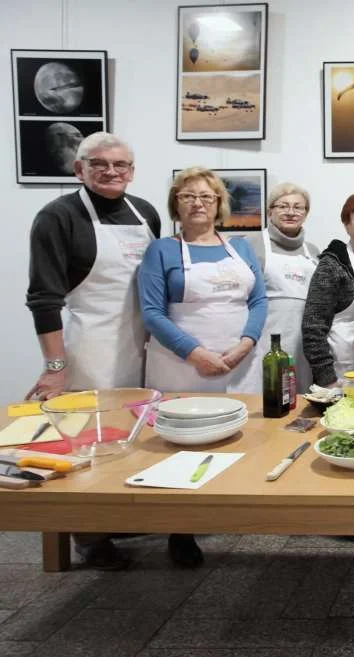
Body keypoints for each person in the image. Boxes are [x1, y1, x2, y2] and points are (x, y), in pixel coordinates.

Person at [24, 132, 161, 571]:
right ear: (78, 168)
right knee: (88, 440)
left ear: (132, 170)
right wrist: (56, 367)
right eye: (98, 163)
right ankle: (88, 533)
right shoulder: (57, 217)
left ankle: (118, 516)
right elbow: (44, 298)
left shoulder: (147, 213)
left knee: (135, 435)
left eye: (120, 164)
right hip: (90, 344)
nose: (111, 172)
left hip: (142, 342)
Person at [140, 167, 268, 396]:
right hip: (180, 366)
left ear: (219, 203)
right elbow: (152, 314)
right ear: (176, 204)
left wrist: (245, 345)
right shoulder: (160, 250)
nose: (197, 203)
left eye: (207, 196)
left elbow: (258, 301)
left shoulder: (242, 247)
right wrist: (195, 355)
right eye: (188, 196)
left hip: (241, 363)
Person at [303, 192, 354, 386]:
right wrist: (326, 379)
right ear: (347, 224)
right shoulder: (332, 265)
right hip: (342, 371)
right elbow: (313, 327)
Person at [242, 183, 320, 392]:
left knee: (300, 394)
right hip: (263, 340)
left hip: (303, 342)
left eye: (298, 207)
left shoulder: (312, 252)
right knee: (266, 395)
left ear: (306, 213)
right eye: (283, 206)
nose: (291, 212)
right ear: (270, 211)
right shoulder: (252, 245)